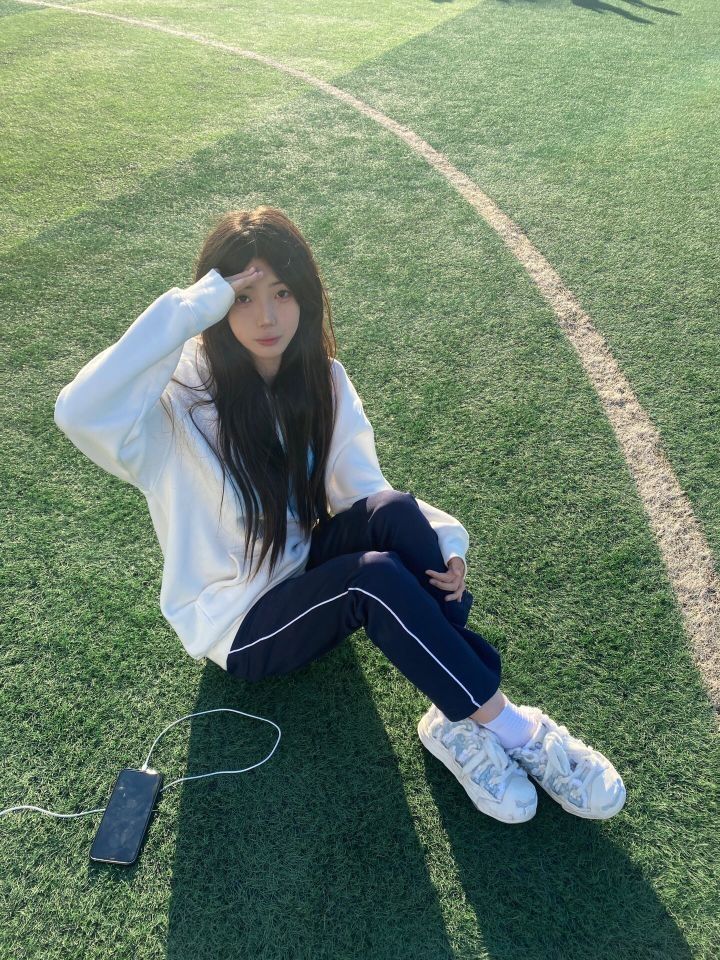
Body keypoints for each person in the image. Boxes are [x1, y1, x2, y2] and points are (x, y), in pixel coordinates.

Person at [54, 205, 626, 826]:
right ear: (215, 303)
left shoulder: (320, 379)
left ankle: (455, 717)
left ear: (305, 294)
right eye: (243, 298)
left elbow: (364, 490)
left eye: (281, 292)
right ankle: (516, 730)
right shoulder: (175, 404)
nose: (267, 317)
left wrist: (445, 542)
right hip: (238, 622)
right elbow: (78, 411)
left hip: (302, 568)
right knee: (370, 579)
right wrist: (193, 308)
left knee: (397, 514)